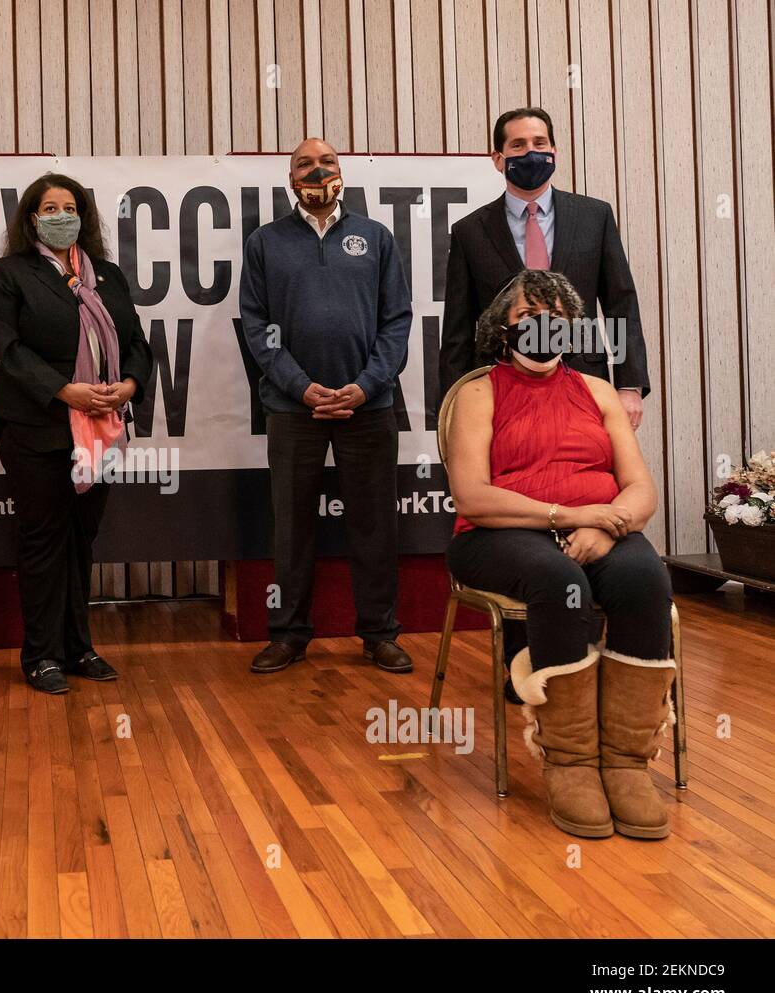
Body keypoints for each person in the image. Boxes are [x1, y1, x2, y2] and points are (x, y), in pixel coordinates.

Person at [445, 269, 674, 840]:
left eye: (555, 318)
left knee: (645, 579)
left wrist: (610, 528)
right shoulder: (479, 392)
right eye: (527, 316)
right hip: (497, 535)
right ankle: (570, 763)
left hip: (600, 528)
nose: (540, 328)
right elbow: (472, 495)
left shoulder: (597, 391)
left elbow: (640, 489)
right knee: (559, 577)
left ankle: (624, 763)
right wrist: (571, 517)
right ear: (503, 327)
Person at [239, 138, 414, 676]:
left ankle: (379, 634)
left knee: (374, 523)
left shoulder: (375, 237)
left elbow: (397, 321)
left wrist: (365, 385)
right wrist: (299, 385)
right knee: (292, 525)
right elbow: (256, 327)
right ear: (290, 179)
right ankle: (289, 634)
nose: (318, 170)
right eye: (305, 164)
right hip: (294, 409)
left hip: (369, 405)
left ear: (343, 172)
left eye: (328, 162)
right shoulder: (265, 243)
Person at [0, 173, 153, 695]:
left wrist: (127, 385)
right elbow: (7, 349)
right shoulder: (8, 273)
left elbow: (137, 343)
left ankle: (79, 647)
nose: (61, 215)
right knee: (43, 540)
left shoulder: (109, 276)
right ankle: (41, 656)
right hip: (38, 427)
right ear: (31, 218)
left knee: (82, 539)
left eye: (69, 206)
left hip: (100, 426)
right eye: (49, 208)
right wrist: (64, 391)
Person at [438, 107, 650, 427]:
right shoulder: (470, 231)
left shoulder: (595, 216)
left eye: (540, 143)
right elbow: (458, 328)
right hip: (501, 389)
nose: (531, 152)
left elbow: (621, 303)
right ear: (498, 158)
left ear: (554, 152)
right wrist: (454, 404)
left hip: (585, 379)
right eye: (518, 145)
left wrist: (629, 386)